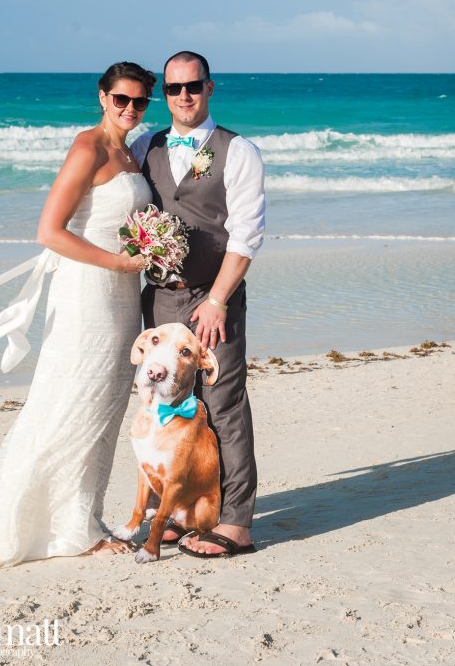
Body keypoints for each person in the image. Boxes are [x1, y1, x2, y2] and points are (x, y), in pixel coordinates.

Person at [0, 61, 155, 569]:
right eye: (121, 100)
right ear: (102, 97)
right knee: (74, 400)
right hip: (89, 294)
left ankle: (81, 519)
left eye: (139, 101)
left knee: (104, 407)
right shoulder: (88, 148)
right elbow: (49, 231)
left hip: (122, 294)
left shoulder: (130, 151)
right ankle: (66, 528)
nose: (130, 109)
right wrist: (117, 261)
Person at [130, 51, 265, 557]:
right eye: (172, 89)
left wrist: (217, 301)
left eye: (193, 86)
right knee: (169, 406)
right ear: (163, 93)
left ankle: (236, 523)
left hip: (214, 300)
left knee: (223, 405)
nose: (183, 97)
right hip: (162, 300)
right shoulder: (147, 145)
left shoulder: (239, 151)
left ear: (210, 88)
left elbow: (246, 235)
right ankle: (180, 511)